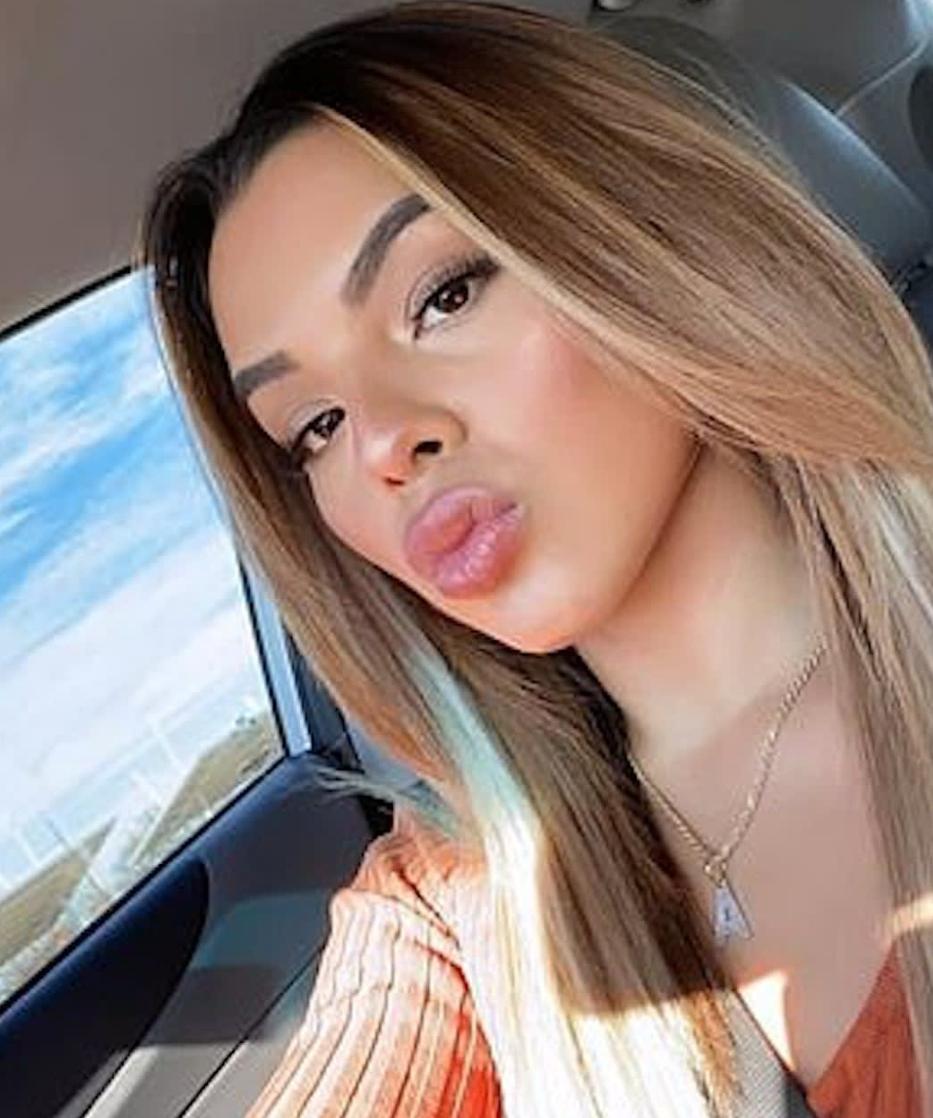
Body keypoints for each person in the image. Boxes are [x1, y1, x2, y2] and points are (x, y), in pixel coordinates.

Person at [138, 3, 933, 1115]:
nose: (381, 444)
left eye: (442, 296)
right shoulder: (454, 891)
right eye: (313, 425)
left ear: (639, 235)